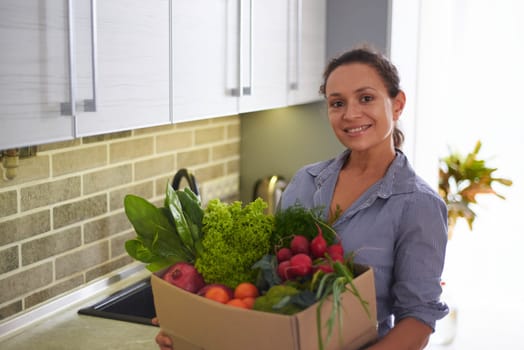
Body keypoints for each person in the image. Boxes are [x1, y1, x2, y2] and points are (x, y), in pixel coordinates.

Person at [154, 46, 449, 350]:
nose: (350, 114)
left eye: (366, 98)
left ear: (397, 104)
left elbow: (418, 320)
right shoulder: (305, 181)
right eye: (337, 103)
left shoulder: (418, 205)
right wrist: (191, 329)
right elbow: (265, 282)